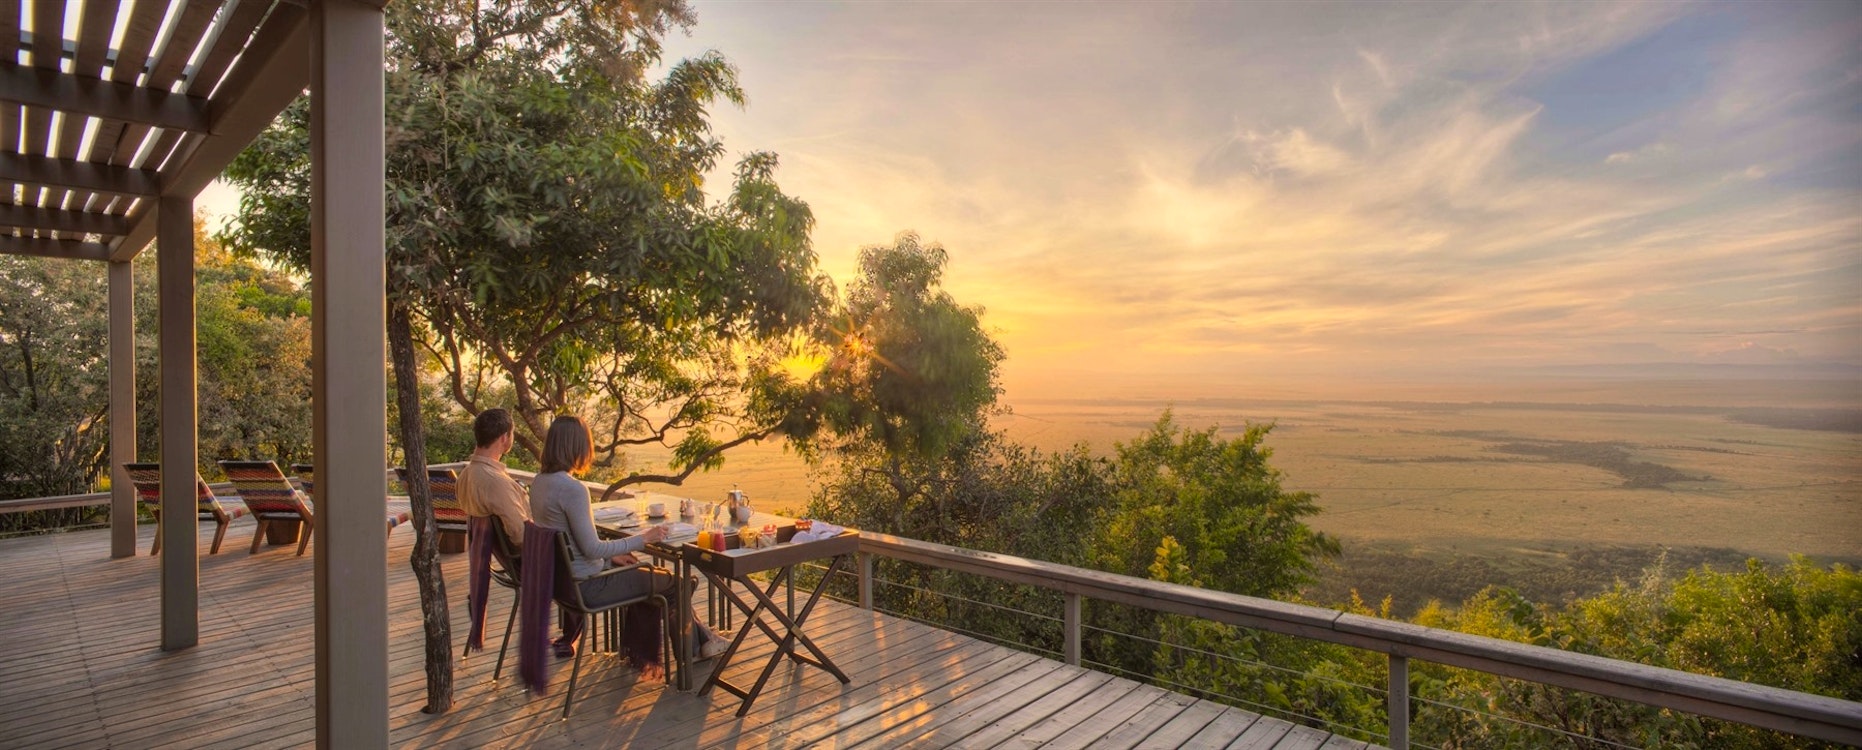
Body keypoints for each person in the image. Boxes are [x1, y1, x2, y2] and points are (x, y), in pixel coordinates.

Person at [528, 414, 730, 663]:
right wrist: (643, 538)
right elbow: (591, 548)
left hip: (563, 584)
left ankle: (704, 641)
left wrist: (612, 557)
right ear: (577, 447)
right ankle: (693, 650)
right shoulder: (573, 490)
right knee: (678, 583)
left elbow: (572, 546)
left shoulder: (539, 483)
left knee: (656, 577)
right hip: (590, 586)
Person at [457, 408, 529, 547]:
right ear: (504, 437)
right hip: (531, 560)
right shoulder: (497, 483)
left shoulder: (464, 476)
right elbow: (521, 536)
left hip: (499, 557)